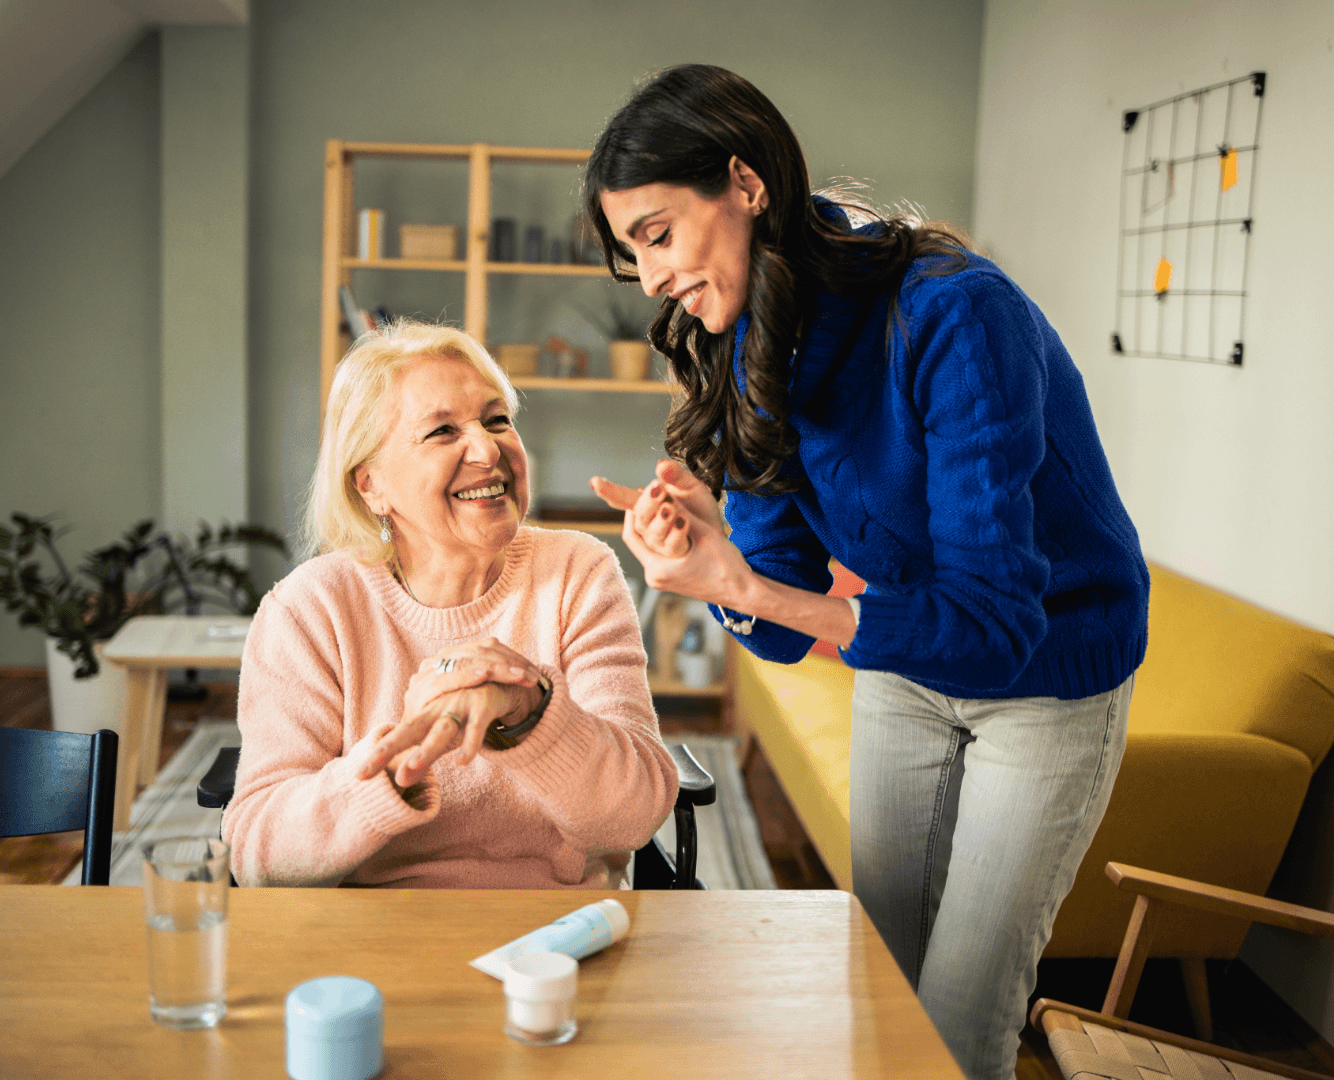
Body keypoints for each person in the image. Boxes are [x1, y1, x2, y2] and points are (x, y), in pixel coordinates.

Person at [584, 65, 1148, 1077]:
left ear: (746, 185)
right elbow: (789, 620)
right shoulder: (745, 336)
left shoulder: (955, 315)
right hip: (906, 657)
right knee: (874, 976)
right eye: (636, 255)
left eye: (660, 234)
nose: (655, 277)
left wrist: (746, 589)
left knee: (961, 1017)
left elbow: (994, 628)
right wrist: (715, 565)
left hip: (1050, 670)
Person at [223, 319, 677, 890]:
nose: (489, 449)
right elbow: (257, 851)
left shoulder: (578, 573)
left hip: (556, 935)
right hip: (374, 936)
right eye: (442, 432)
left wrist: (529, 713)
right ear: (370, 485)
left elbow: (634, 816)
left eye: (497, 421)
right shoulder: (310, 609)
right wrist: (382, 776)